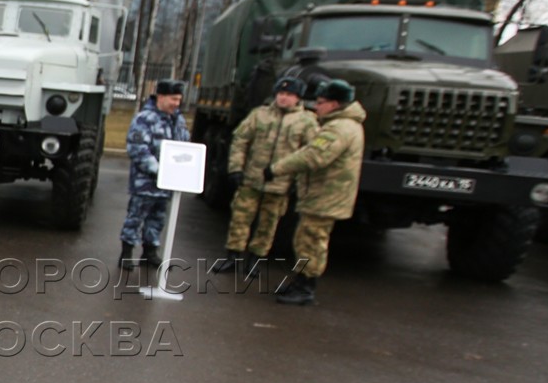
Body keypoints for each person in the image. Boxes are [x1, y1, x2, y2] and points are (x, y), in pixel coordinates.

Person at [263, 78, 366, 306]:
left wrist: (277, 169)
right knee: (306, 238)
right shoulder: (344, 124)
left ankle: (305, 286)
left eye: (320, 102)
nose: (316, 107)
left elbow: (314, 155)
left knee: (311, 240)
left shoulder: (339, 128)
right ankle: (301, 280)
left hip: (326, 196)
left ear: (334, 103)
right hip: (325, 194)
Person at [211, 75, 318, 277]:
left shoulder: (307, 122)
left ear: (298, 98)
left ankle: (254, 260)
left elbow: (308, 155)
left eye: (289, 94)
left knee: (268, 224)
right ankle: (232, 257)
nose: (283, 98)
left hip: (281, 184)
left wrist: (299, 182)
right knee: (240, 218)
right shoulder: (259, 115)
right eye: (280, 93)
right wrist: (236, 169)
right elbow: (240, 141)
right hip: (251, 179)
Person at [119, 78, 190, 273]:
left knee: (157, 219)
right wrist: (159, 170)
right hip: (146, 183)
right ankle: (126, 254)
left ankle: (149, 253)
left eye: (179, 99)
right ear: (161, 96)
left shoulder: (178, 120)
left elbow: (184, 147)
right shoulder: (145, 119)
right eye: (173, 99)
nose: (176, 103)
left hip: (167, 184)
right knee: (135, 217)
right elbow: (137, 148)